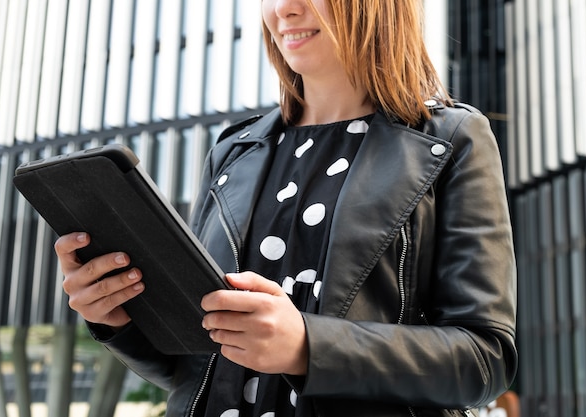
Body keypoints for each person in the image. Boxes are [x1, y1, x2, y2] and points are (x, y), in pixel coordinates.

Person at [55, 0, 517, 416]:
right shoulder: (234, 151)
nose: (284, 9)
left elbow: (485, 359)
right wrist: (114, 319)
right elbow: (195, 369)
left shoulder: (452, 138)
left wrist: (308, 346)